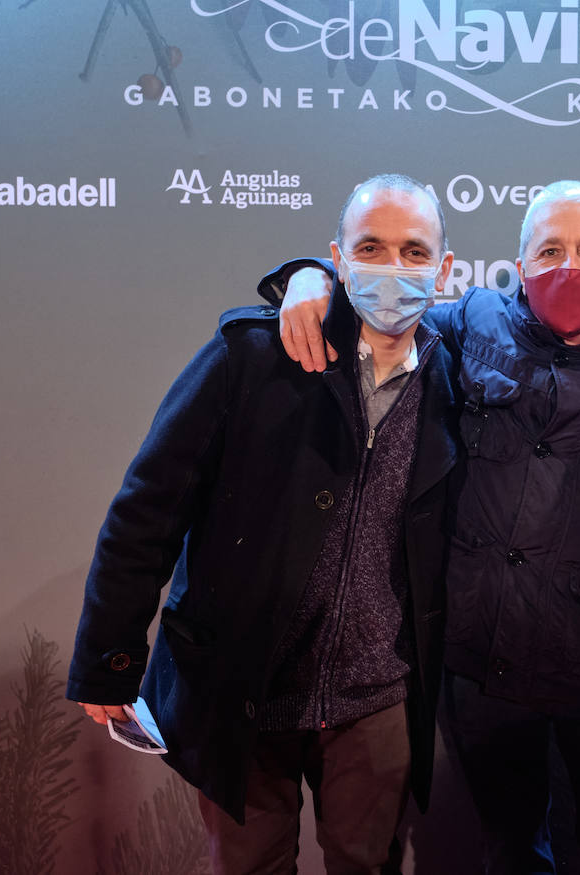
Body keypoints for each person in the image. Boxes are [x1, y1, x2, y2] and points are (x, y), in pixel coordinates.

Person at [262, 180, 580, 875]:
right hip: (488, 670)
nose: (568, 265)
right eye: (549, 249)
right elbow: (383, 302)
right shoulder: (473, 320)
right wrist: (307, 276)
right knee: (507, 852)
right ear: (518, 263)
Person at [66, 174, 461, 874]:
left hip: (377, 698)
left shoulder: (455, 380)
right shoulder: (252, 355)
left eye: (413, 250)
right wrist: (109, 656)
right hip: (241, 686)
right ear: (337, 260)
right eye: (371, 247)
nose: (392, 268)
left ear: (445, 268)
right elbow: (147, 509)